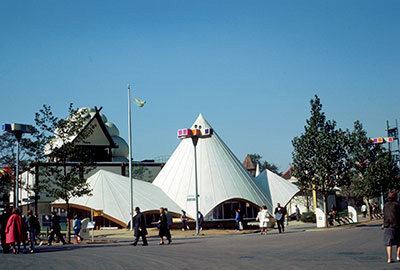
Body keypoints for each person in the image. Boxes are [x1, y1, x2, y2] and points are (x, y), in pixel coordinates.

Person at [383, 192, 400, 263]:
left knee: (388, 243)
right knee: (399, 242)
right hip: (396, 225)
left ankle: (389, 258)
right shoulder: (397, 205)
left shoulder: (385, 205)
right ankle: (398, 256)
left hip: (387, 225)